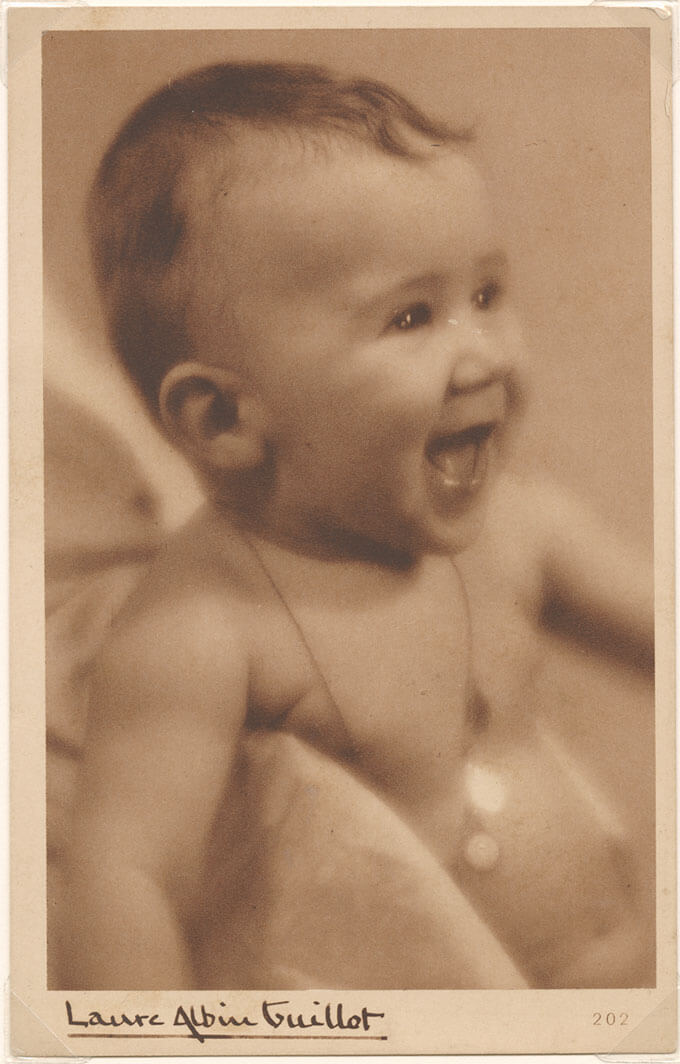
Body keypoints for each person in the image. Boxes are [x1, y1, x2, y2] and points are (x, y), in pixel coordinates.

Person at [54, 61, 653, 991]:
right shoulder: (204, 629)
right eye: (412, 315)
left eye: (488, 294)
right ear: (224, 420)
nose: (482, 353)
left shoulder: (523, 530)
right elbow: (127, 879)